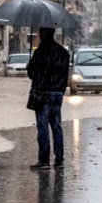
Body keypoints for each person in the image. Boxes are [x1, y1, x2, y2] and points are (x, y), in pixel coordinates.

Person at [26, 28, 70, 170]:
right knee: (57, 127)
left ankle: (44, 160)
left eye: (39, 33)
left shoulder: (40, 52)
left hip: (43, 94)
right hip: (57, 94)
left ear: (42, 34)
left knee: (43, 127)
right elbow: (65, 75)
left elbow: (33, 75)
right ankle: (59, 159)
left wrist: (29, 67)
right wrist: (60, 91)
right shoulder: (63, 52)